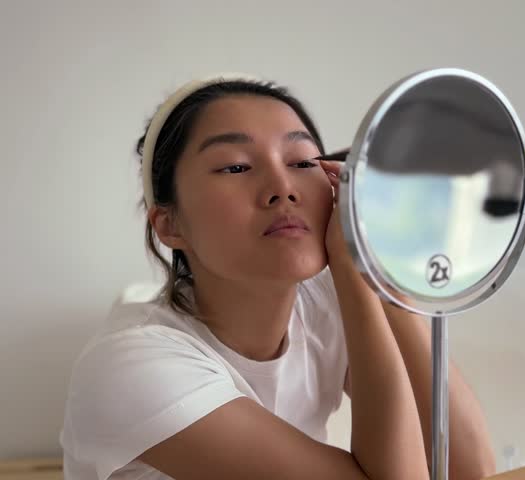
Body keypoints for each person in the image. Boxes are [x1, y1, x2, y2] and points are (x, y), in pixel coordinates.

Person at [59, 75, 496, 480]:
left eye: (303, 162)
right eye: (235, 167)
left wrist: (374, 263)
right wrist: (353, 272)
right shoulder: (131, 366)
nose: (282, 187)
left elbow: (470, 469)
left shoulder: (327, 303)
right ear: (170, 225)